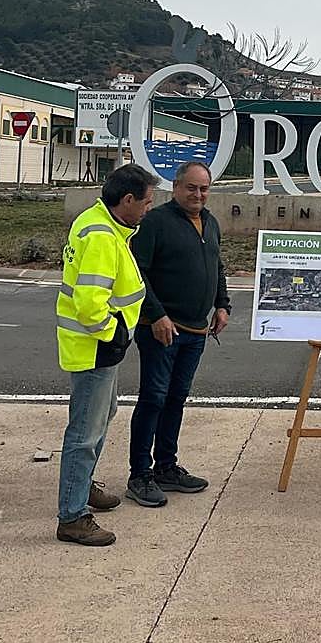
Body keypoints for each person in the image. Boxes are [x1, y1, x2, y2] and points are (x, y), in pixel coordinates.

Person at [55, 163, 157, 546]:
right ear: (127, 200)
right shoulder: (101, 236)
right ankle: (72, 515)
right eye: (146, 202)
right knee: (84, 432)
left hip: (99, 346)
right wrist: (112, 332)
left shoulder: (103, 222)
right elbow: (89, 302)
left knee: (100, 418)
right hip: (95, 346)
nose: (149, 208)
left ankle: (82, 489)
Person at [125, 160, 230, 508]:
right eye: (191, 188)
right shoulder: (155, 222)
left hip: (196, 331)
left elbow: (217, 265)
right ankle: (140, 474)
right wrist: (156, 315)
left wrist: (221, 304)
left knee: (176, 399)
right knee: (153, 398)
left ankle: (166, 467)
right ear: (177, 187)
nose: (198, 195)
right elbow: (137, 273)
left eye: (204, 189)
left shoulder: (210, 222)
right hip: (161, 330)